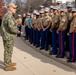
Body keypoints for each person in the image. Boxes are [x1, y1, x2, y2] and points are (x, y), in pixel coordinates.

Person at [1, 2, 19, 71]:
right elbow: (12, 27)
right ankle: (7, 66)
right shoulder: (9, 16)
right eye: (14, 8)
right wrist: (17, 31)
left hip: (7, 36)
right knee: (8, 50)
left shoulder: (6, 15)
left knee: (9, 50)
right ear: (10, 8)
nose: (15, 9)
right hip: (8, 37)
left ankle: (8, 62)